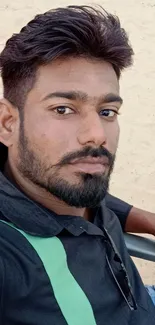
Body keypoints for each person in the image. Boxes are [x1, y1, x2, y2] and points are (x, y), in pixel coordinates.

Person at [0, 5, 154, 324]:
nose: (96, 135)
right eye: (63, 109)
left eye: (107, 111)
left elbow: (98, 199)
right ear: (8, 122)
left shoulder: (63, 177)